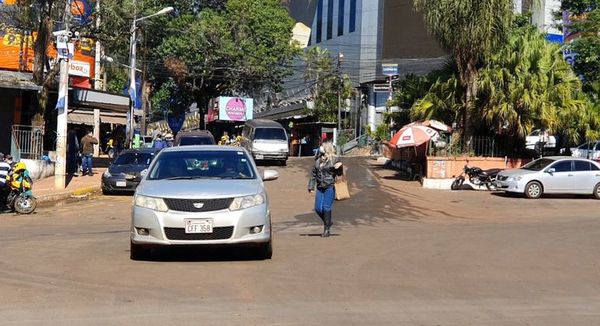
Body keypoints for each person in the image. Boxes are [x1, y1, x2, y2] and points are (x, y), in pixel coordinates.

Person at [308, 142, 343, 237]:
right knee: (318, 208)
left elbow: (339, 174)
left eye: (323, 148)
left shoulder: (334, 159)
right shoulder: (318, 160)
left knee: (326, 207)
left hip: (330, 187)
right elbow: (313, 174)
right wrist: (311, 186)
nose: (321, 149)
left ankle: (326, 230)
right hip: (320, 187)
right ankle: (328, 222)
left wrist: (340, 167)